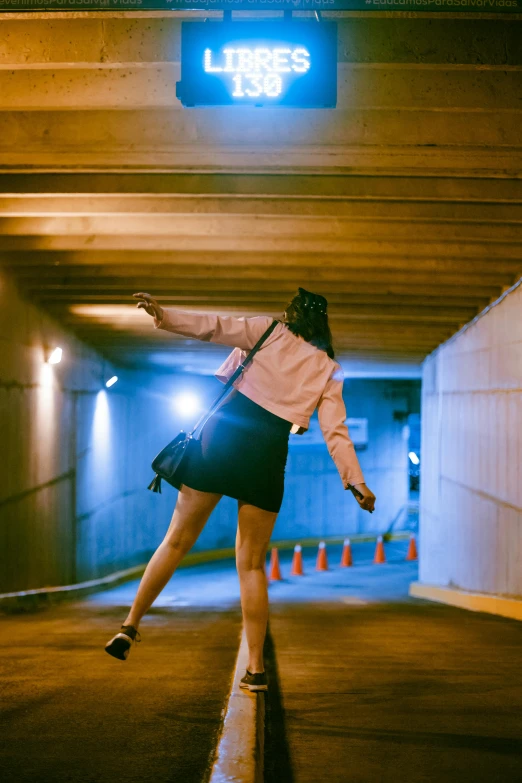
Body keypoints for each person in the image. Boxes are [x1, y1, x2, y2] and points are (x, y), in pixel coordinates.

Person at [105, 288, 376, 690]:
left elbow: (213, 327)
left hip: (222, 439)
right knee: (250, 565)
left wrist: (163, 314)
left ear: (292, 314)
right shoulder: (328, 368)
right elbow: (335, 430)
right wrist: (356, 481)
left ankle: (130, 625)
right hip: (266, 455)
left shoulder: (268, 331)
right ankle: (256, 669)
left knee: (176, 541)